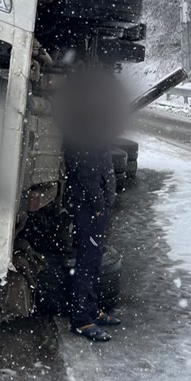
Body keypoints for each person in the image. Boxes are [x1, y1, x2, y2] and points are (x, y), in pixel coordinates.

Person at [55, 65, 129, 341]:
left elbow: (102, 166)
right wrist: (98, 204)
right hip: (87, 205)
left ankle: (91, 309)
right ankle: (81, 319)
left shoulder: (94, 125)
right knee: (87, 261)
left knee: (94, 260)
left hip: (97, 203)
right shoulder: (81, 127)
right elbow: (85, 171)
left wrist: (107, 197)